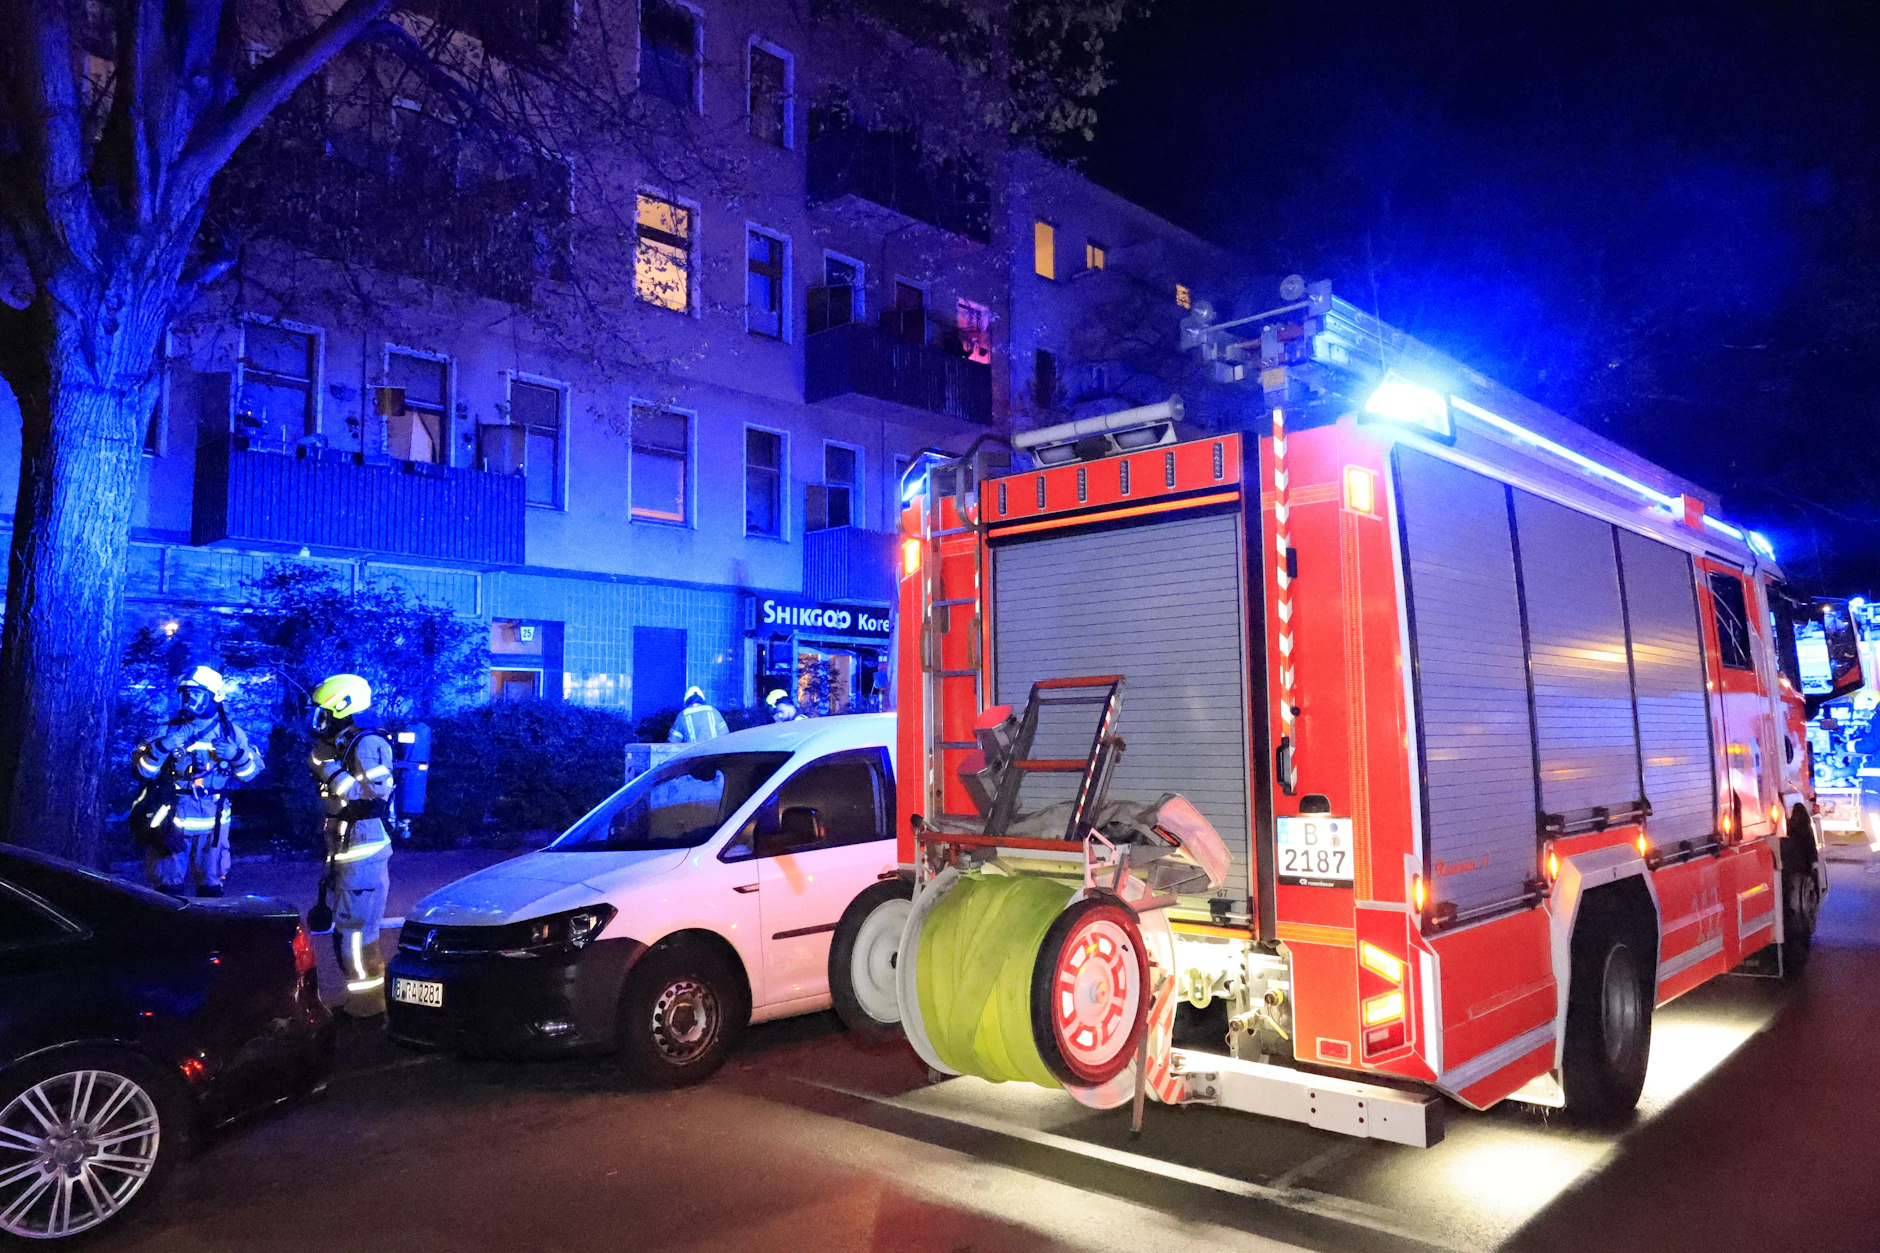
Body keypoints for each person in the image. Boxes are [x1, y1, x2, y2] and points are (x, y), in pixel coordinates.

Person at [307, 673, 396, 1017]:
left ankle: (369, 1011)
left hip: (364, 848)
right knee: (346, 935)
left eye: (324, 711)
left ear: (343, 707)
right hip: (347, 848)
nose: (319, 719)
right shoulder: (342, 742)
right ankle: (362, 1005)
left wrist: (332, 773)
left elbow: (375, 795)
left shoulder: (368, 743)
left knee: (356, 938)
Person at [132, 665, 262, 897]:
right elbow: (144, 773)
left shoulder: (232, 734)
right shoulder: (166, 731)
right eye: (185, 694)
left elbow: (249, 775)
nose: (189, 700)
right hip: (173, 819)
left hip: (214, 822)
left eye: (196, 694)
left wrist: (236, 755)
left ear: (214, 697)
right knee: (167, 891)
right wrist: (162, 747)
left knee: (211, 889)